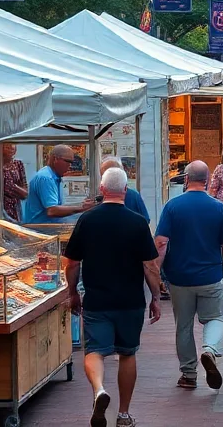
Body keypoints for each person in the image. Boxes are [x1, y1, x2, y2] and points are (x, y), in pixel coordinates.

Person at [64, 166, 162, 427]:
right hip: (130, 302)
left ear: (102, 189)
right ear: (126, 191)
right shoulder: (138, 223)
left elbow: (72, 263)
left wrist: (72, 293)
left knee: (94, 350)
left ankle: (99, 389)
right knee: (127, 354)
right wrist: (155, 296)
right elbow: (150, 265)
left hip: (97, 300)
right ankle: (124, 414)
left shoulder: (87, 220)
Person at [154, 161, 223, 391]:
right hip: (210, 276)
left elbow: (161, 243)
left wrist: (155, 275)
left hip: (179, 278)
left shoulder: (172, 207)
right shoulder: (218, 207)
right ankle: (210, 349)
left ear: (187, 179)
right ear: (207, 180)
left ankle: (189, 374)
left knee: (183, 326)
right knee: (216, 318)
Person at [24, 144, 94, 224]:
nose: (70, 166)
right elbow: (52, 211)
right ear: (55, 159)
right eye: (68, 162)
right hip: (40, 230)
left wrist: (82, 205)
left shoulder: (53, 176)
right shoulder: (46, 178)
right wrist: (82, 208)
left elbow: (58, 207)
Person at [1, 144, 28, 223]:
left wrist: (13, 187)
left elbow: (25, 193)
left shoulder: (18, 164)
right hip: (0, 206)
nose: (10, 150)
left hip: (15, 208)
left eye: (12, 148)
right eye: (7, 147)